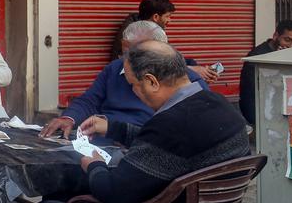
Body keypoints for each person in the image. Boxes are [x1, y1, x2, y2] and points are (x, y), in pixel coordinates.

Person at [32, 41, 250, 203]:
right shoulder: (220, 107)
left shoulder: (170, 125)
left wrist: (94, 164)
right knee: (87, 201)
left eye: (134, 85)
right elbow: (169, 150)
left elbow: (114, 192)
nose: (134, 92)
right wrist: (115, 128)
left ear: (152, 81)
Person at [40, 21, 209, 141]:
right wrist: (69, 118)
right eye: (124, 52)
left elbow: (168, 139)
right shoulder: (114, 68)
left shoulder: (185, 83)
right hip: (102, 139)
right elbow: (89, 100)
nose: (125, 60)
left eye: (135, 54)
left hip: (139, 145)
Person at [111, 0, 219, 84]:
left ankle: (201, 79)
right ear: (156, 17)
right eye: (168, 16)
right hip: (141, 76)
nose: (170, 20)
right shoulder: (136, 33)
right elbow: (149, 64)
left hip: (155, 70)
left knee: (189, 62)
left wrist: (198, 72)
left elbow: (166, 57)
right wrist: (193, 71)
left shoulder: (153, 29)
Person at [239, 20, 292, 125]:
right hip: (259, 111)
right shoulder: (256, 56)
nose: (291, 46)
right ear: (275, 36)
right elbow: (259, 89)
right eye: (287, 40)